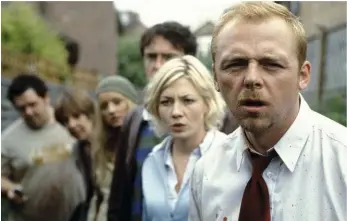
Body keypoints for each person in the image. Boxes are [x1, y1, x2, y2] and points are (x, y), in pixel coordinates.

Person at [188, 2, 347, 221]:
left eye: (271, 64)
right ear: (215, 76)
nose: (252, 79)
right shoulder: (207, 173)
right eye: (236, 64)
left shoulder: (341, 164)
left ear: (303, 75)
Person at [107, 21, 199, 221]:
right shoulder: (135, 120)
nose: (157, 65)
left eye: (168, 57)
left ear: (188, 62)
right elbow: (120, 194)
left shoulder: (211, 119)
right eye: (151, 56)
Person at [142, 55, 227, 221]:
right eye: (166, 102)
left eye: (187, 100)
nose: (176, 112)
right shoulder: (152, 161)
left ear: (207, 103)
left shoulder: (230, 156)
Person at [1, 73, 74, 221]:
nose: (28, 112)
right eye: (21, 108)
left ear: (46, 98)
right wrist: (11, 189)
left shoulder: (71, 125)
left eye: (33, 104)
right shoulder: (8, 140)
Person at [90, 75, 138, 221]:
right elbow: (99, 197)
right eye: (104, 106)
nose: (111, 110)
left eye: (117, 102)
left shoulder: (143, 141)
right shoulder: (100, 147)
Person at [54, 89, 100, 221]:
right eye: (65, 121)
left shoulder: (111, 144)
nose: (71, 125)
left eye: (76, 116)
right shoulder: (78, 150)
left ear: (90, 114)